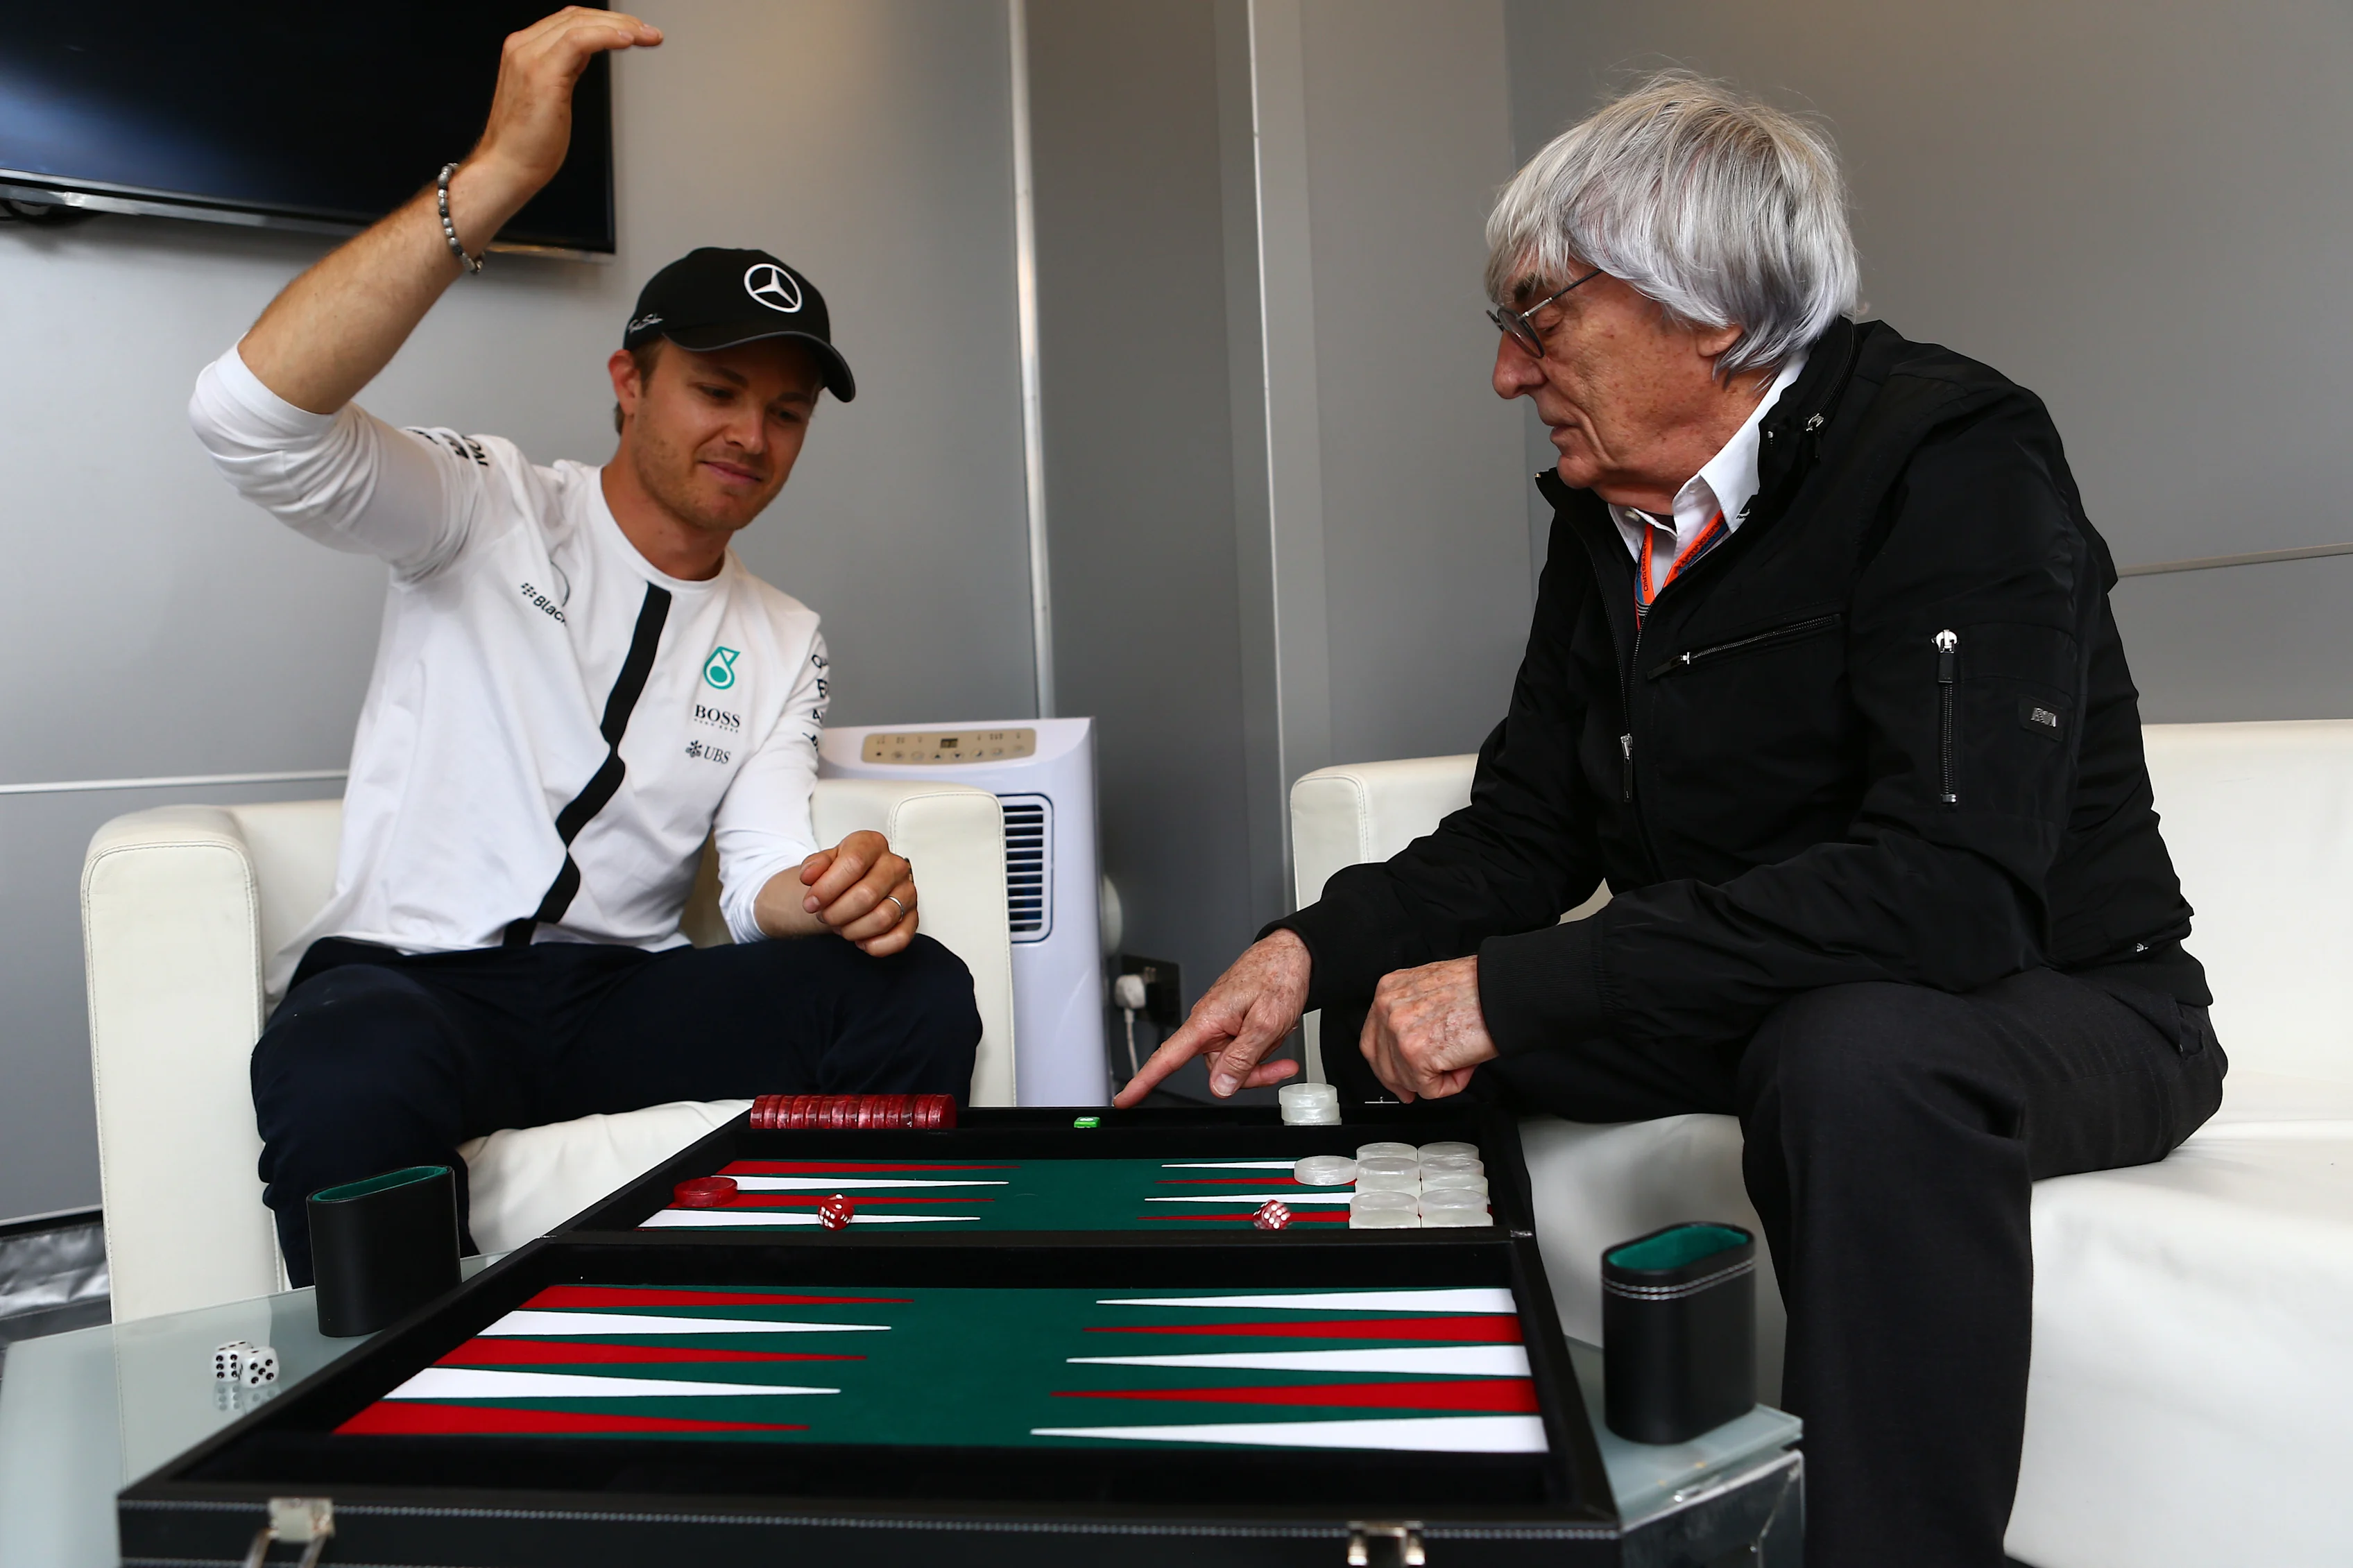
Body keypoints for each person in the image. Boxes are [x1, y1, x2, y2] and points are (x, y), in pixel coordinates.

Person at [1116, 74, 2223, 1568]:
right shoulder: (1610, 523)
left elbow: (1949, 894)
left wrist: (1514, 986)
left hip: (2061, 995)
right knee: (1388, 1018)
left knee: (1853, 1053)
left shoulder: (1953, 456)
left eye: (1539, 318)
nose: (1510, 375)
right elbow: (1524, 831)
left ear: (1706, 309)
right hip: (1770, 985)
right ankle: (1446, 1500)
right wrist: (1309, 951)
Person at [189, 9, 978, 1284]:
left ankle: (867, 1314)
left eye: (786, 413)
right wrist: (494, 177)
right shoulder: (487, 502)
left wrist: (830, 890)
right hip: (416, 982)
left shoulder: (784, 633)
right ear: (629, 382)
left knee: (912, 989)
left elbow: (767, 862)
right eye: (718, 392)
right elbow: (250, 422)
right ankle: (413, 1423)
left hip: (621, 1003)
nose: (753, 437)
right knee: (347, 1061)